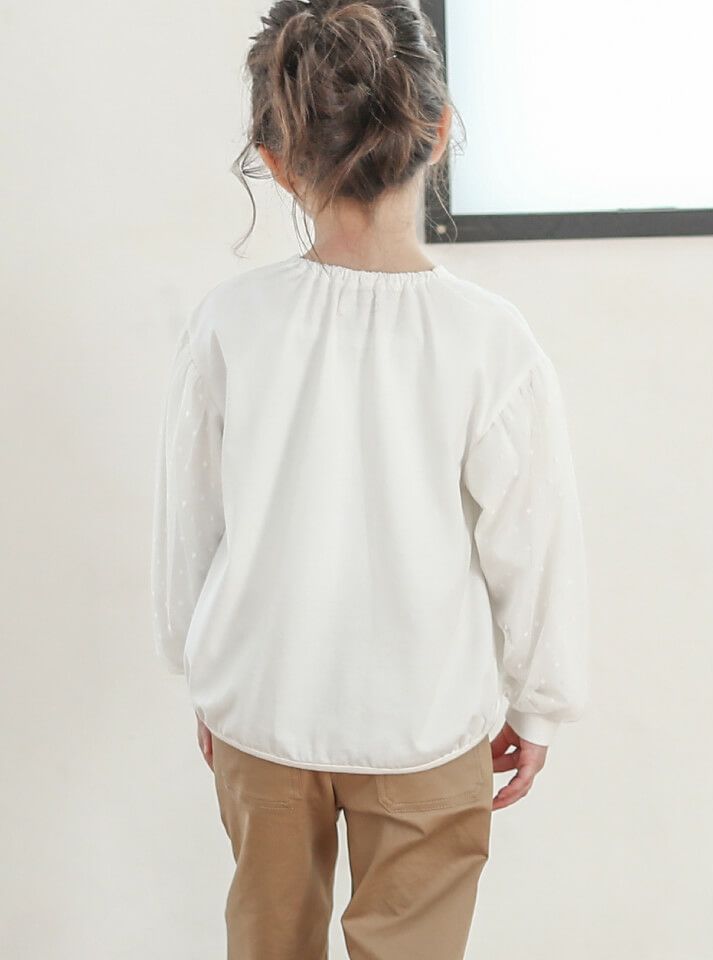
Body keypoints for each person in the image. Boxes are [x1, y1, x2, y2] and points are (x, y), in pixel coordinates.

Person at [150, 1, 589, 957]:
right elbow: (534, 542)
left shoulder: (231, 322)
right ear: (439, 129)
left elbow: (191, 521)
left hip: (262, 707)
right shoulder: (490, 339)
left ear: (276, 160)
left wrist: (201, 669)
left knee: (267, 942)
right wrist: (538, 702)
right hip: (427, 720)